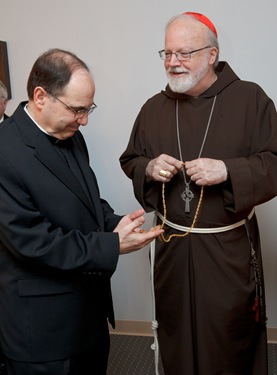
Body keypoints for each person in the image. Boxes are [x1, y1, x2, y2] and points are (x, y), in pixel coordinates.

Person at [120, 11, 277, 375]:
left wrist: (228, 170)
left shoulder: (250, 99)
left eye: (184, 53)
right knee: (176, 335)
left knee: (226, 338)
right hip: (172, 250)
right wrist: (149, 167)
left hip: (227, 254)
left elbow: (274, 160)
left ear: (211, 55)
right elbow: (131, 159)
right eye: (167, 53)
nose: (173, 63)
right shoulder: (154, 108)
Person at [0, 48, 163, 375]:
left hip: (87, 320)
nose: (85, 120)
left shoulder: (72, 136)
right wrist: (112, 245)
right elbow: (34, 243)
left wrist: (117, 223)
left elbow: (86, 200)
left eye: (88, 109)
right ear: (41, 96)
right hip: (43, 335)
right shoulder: (6, 150)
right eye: (77, 109)